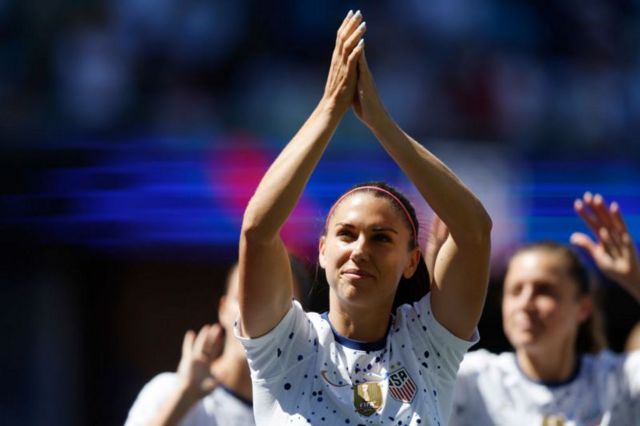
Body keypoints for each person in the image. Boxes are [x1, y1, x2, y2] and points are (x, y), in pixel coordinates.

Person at [234, 10, 492, 426]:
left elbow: (475, 232)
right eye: (346, 234)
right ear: (321, 250)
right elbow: (258, 231)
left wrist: (380, 122)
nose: (360, 250)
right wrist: (331, 108)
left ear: (412, 260)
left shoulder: (429, 345)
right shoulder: (286, 346)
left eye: (382, 238)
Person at [449, 192, 640, 425]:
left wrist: (635, 279)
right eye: (516, 291)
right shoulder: (472, 380)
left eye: (544, 290)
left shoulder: (619, 381)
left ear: (583, 307)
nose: (526, 304)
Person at [124, 265, 254, 426]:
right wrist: (185, 395)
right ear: (224, 309)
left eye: (275, 304)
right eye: (245, 299)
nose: (257, 314)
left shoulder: (290, 415)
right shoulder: (169, 390)